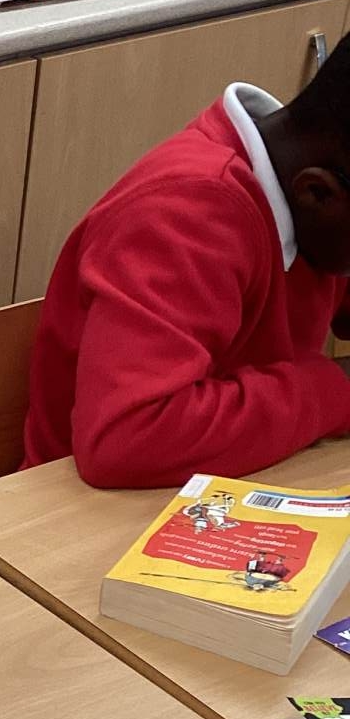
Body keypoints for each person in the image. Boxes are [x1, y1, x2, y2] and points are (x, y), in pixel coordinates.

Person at [23, 35, 350, 488]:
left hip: (231, 486)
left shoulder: (313, 205)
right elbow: (127, 439)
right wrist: (331, 389)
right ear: (318, 193)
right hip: (83, 511)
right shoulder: (186, 215)